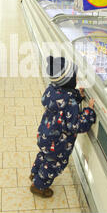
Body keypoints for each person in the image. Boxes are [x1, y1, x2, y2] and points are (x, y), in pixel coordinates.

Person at [30, 56, 96, 198]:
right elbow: (77, 125)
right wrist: (89, 111)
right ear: (68, 80)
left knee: (43, 156)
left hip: (44, 137)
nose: (77, 80)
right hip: (58, 144)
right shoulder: (70, 104)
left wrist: (78, 96)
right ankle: (38, 186)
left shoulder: (51, 90)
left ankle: (35, 173)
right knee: (53, 165)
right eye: (75, 77)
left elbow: (63, 102)